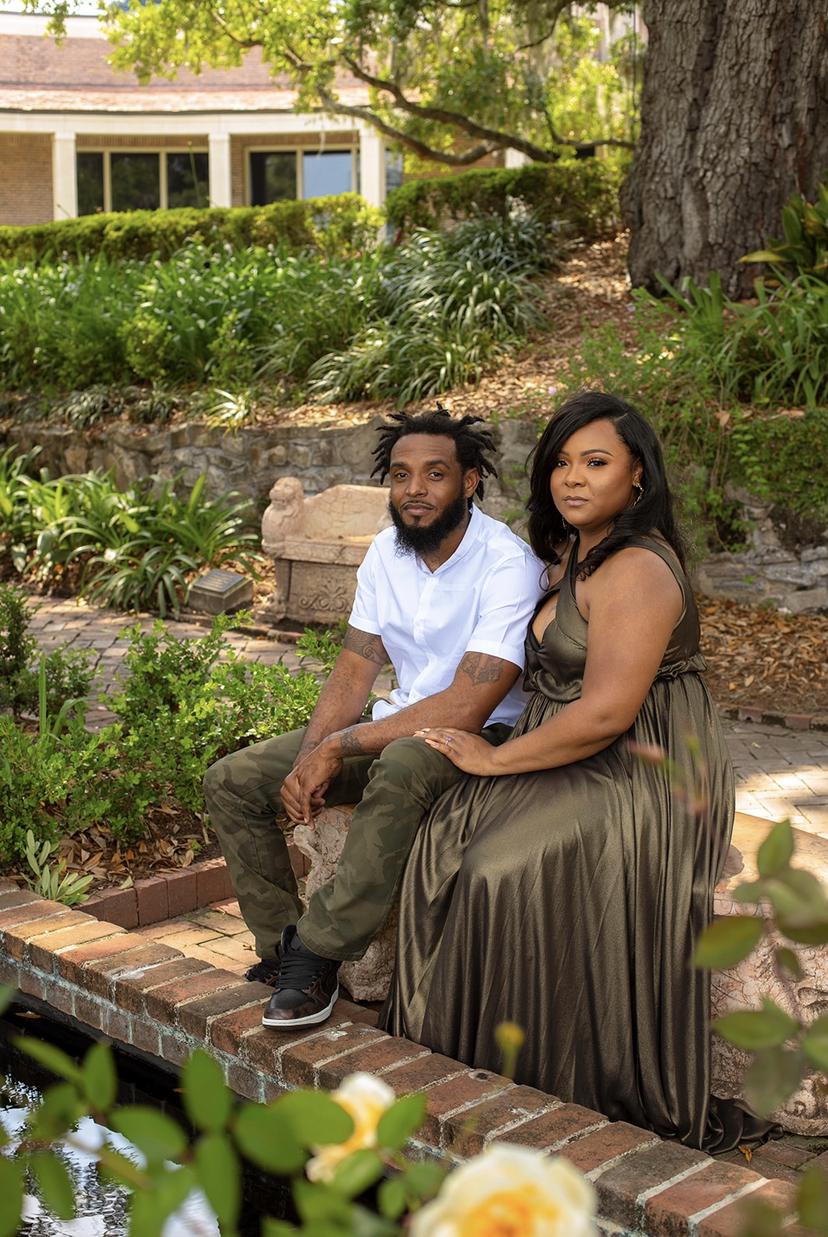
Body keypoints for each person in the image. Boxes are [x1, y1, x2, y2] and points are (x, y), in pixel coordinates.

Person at [380, 392, 774, 1152]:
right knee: (447, 837)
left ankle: (542, 1078)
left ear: (637, 475)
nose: (573, 477)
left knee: (499, 866)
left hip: (647, 765)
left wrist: (496, 756)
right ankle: (456, 1066)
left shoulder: (637, 568)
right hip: (569, 743)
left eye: (596, 462)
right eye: (561, 461)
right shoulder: (570, 552)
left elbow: (606, 713)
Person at [203, 407, 545, 1029]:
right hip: (400, 722)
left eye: (435, 474)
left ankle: (321, 952)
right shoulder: (387, 552)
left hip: (485, 736)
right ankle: (283, 953)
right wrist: (310, 757)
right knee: (233, 781)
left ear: (469, 482)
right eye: (401, 475)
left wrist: (340, 746)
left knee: (403, 761)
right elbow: (354, 668)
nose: (415, 489)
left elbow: (468, 703)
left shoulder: (507, 563)